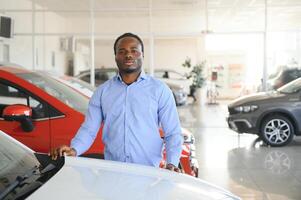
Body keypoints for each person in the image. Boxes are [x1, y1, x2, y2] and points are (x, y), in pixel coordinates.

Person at [50, 32, 183, 172]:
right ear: (116, 57)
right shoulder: (102, 92)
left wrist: (172, 163)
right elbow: (89, 129)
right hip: (113, 171)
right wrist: (74, 149)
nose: (128, 55)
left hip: (148, 172)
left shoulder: (160, 90)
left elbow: (172, 133)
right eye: (122, 51)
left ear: (142, 55)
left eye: (134, 51)